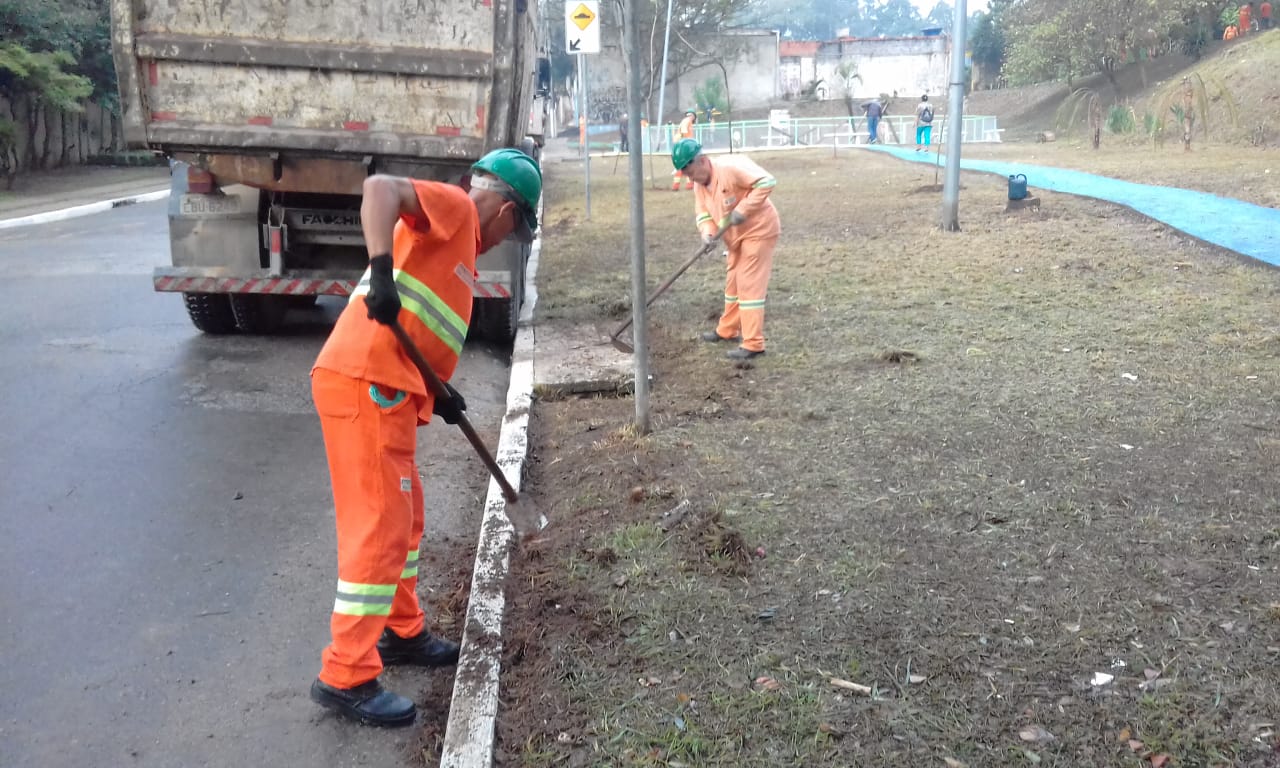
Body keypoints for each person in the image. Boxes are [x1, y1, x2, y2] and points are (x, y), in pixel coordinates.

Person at [308, 148, 541, 727]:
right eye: (515, 229)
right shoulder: (460, 208)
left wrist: (439, 391)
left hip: (394, 389)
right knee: (380, 529)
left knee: (405, 522)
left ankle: (402, 632)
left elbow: (420, 321)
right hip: (365, 383)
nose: (505, 239)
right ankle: (346, 675)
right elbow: (380, 190)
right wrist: (380, 271)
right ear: (508, 212)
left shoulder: (460, 246)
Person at [671, 138, 780, 361]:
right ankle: (728, 330)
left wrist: (743, 210)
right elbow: (703, 214)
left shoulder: (730, 168)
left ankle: (753, 344)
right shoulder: (700, 186)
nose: (689, 178)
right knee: (733, 282)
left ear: (701, 161)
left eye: (689, 171)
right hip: (734, 237)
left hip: (759, 230)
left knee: (748, 285)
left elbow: (767, 181)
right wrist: (707, 233)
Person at [671, 109, 697, 190]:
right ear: (692, 116)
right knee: (687, 164)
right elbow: (684, 132)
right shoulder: (687, 121)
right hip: (684, 146)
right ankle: (688, 184)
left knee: (683, 165)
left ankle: (678, 185)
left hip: (681, 145)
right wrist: (688, 144)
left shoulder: (685, 121)